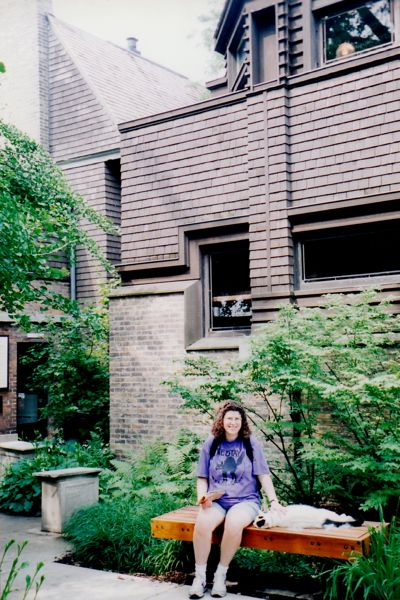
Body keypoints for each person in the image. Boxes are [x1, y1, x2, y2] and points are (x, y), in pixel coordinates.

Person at [189, 400, 285, 599]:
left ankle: (220, 577)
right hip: (217, 500)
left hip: (246, 501)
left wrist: (274, 501)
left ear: (242, 422)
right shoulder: (212, 443)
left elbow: (263, 474)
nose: (233, 422)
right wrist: (202, 498)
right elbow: (202, 478)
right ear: (222, 420)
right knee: (202, 523)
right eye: (229, 418)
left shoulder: (250, 443)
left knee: (233, 523)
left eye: (237, 419)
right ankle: (199, 578)